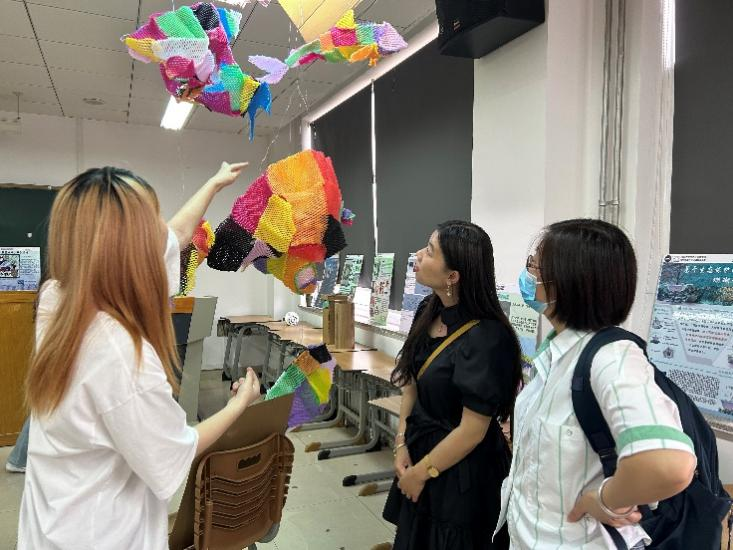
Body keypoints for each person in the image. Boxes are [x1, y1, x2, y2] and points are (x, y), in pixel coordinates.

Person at [18, 163, 262, 550]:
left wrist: (213, 183)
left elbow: (177, 234)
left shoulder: (55, 298)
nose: (162, 230)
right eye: (151, 221)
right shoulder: (121, 354)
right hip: (103, 536)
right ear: (132, 250)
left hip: (52, 524)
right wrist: (240, 404)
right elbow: (174, 451)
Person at [497, 218, 697, 548]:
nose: (528, 275)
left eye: (534, 266)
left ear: (567, 281)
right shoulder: (555, 352)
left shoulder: (612, 358)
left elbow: (669, 465)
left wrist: (605, 499)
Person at [383, 220, 522, 550]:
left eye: (430, 252)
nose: (418, 255)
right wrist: (401, 443)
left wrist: (421, 473)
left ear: (453, 276)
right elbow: (411, 384)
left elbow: (472, 431)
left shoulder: (488, 337)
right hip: (420, 452)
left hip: (463, 473)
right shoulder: (427, 310)